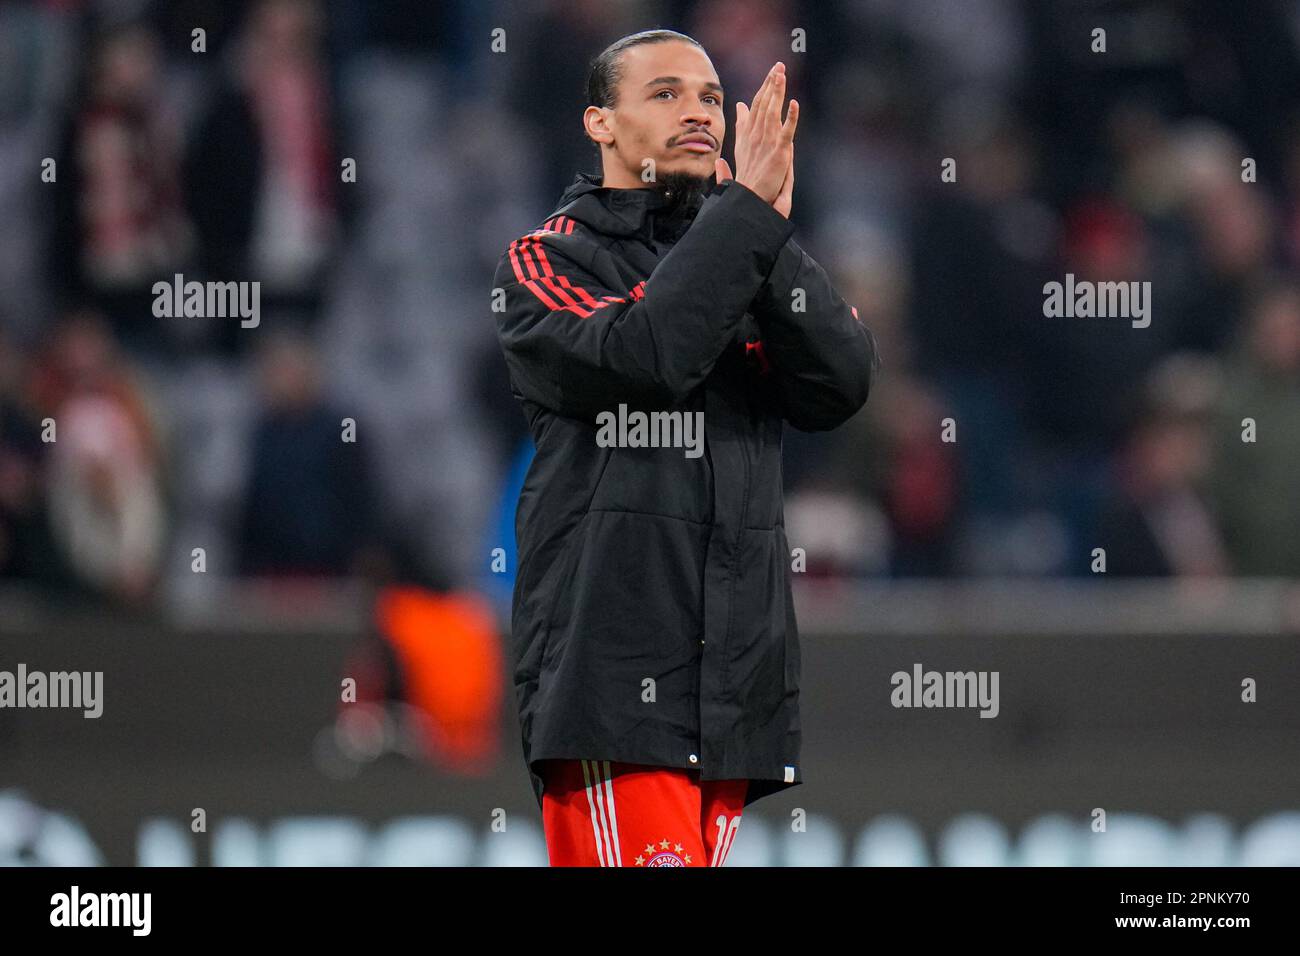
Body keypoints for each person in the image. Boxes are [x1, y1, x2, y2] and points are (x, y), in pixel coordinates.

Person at [492, 29, 879, 867]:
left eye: (710, 98)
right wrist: (743, 222)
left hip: (730, 692)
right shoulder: (546, 258)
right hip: (612, 681)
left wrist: (762, 233)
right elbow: (648, 354)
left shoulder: (741, 251)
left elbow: (843, 382)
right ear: (601, 122)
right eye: (665, 94)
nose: (699, 113)